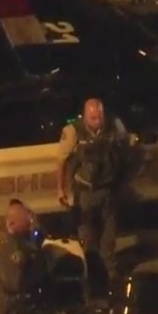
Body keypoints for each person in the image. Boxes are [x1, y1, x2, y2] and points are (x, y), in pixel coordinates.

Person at [57, 98, 130, 297]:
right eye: (93, 117)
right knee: (88, 239)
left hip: (109, 190)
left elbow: (126, 150)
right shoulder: (73, 132)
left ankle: (111, 280)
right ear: (85, 116)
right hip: (85, 192)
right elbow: (62, 161)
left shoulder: (114, 125)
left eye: (99, 117)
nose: (97, 121)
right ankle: (91, 281)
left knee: (109, 237)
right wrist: (61, 189)